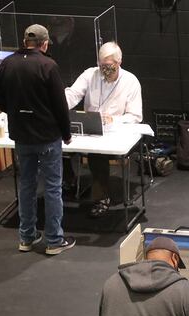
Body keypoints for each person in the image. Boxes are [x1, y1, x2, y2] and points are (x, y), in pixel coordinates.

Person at [0, 24, 76, 255]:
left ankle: (26, 238)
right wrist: (66, 133)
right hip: (47, 136)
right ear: (45, 43)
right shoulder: (48, 66)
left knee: (26, 185)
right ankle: (53, 240)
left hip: (21, 136)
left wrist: (17, 112)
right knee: (52, 187)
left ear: (24, 41)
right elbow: (60, 105)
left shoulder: (7, 63)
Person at [65, 42, 143, 218]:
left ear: (119, 62)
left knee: (96, 155)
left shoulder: (130, 82)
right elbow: (73, 94)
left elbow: (135, 116)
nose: (105, 71)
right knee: (59, 142)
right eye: (102, 66)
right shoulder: (90, 75)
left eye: (109, 66)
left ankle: (101, 197)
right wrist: (58, 103)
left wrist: (113, 119)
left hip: (114, 132)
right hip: (89, 128)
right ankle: (68, 183)